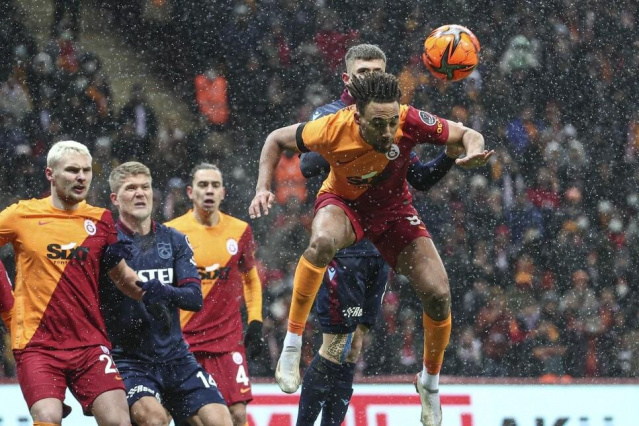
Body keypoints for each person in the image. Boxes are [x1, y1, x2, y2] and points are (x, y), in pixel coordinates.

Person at [249, 72, 493, 426]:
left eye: (392, 122)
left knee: (439, 294)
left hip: (393, 214)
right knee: (322, 247)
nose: (388, 131)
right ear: (357, 116)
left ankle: (429, 383)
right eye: (379, 124)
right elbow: (275, 139)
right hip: (345, 206)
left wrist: (472, 152)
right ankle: (292, 344)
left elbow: (467, 134)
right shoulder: (331, 127)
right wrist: (262, 187)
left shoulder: (409, 119)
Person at [295, 43, 463, 426]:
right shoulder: (330, 115)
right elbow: (307, 165)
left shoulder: (391, 123)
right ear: (347, 78)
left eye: (377, 72)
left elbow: (420, 177)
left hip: (380, 244)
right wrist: (349, 140)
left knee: (354, 347)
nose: (370, 78)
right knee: (334, 344)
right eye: (363, 72)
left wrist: (450, 154)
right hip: (344, 243)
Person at [0, 140, 143, 425]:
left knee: (119, 421)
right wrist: (8, 308)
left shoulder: (101, 220)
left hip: (89, 344)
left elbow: (123, 277)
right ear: (50, 174)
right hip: (37, 344)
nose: (81, 177)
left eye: (86, 170)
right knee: (48, 416)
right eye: (72, 170)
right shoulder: (21, 215)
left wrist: (165, 293)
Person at [100, 161, 233, 426]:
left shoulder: (174, 240)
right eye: (131, 188)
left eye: (145, 187)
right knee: (154, 419)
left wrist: (162, 291)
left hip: (177, 357)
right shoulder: (106, 243)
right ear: (115, 198)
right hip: (129, 360)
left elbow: (194, 298)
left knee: (220, 421)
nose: (140, 193)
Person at [166, 163, 265, 426]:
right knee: (190, 418)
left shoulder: (240, 230)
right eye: (203, 185)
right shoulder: (171, 232)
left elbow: (250, 278)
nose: (209, 190)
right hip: (184, 341)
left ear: (223, 193)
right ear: (190, 192)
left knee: (237, 414)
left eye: (214, 185)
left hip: (226, 340)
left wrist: (256, 320)